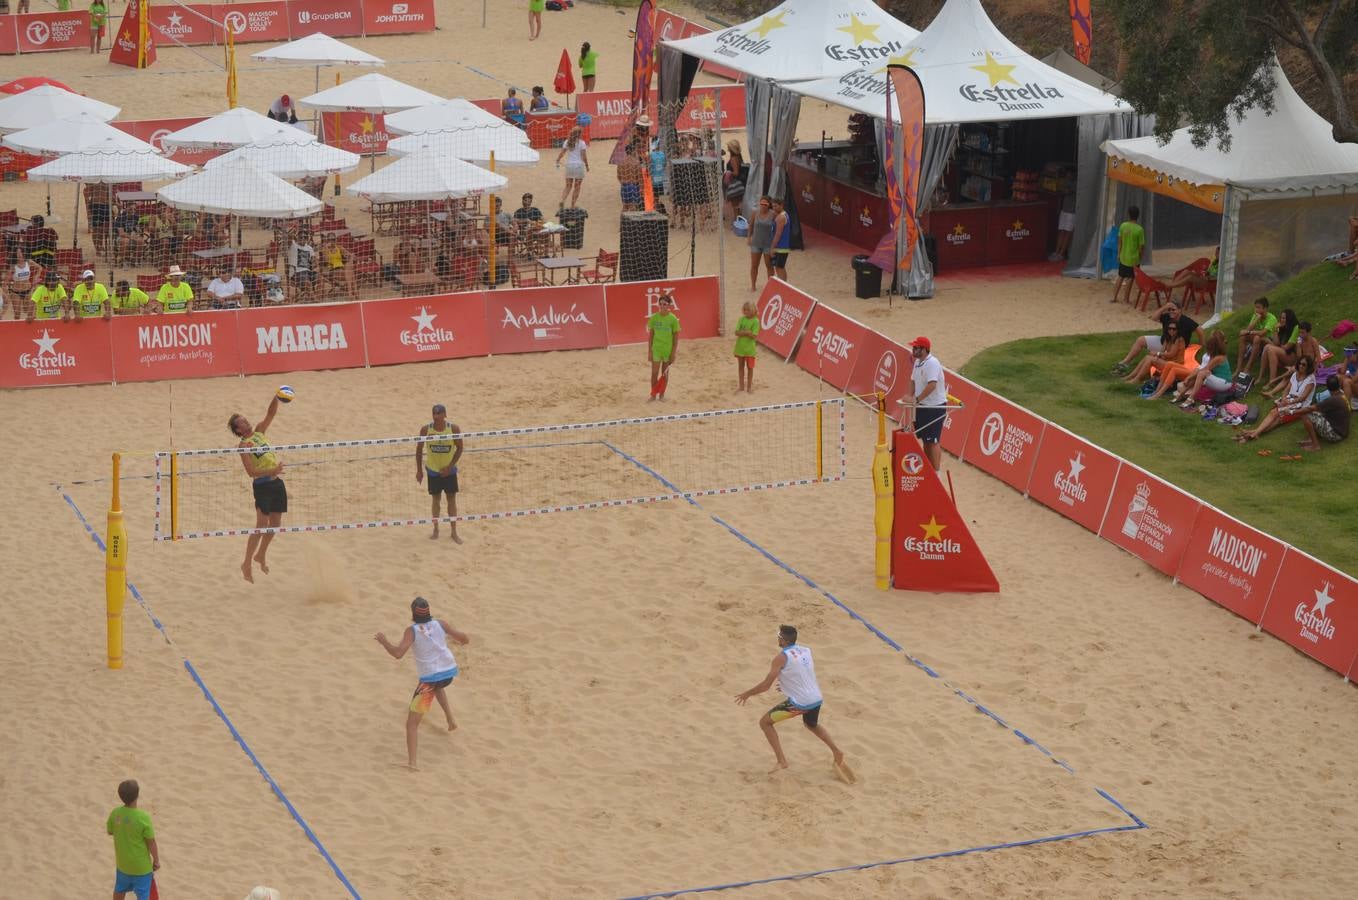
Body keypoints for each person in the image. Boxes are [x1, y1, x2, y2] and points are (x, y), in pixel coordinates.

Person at [733, 624, 853, 781]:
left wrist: (747, 694)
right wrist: (785, 684)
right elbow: (801, 673)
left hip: (800, 703)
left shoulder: (780, 658)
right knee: (811, 725)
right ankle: (836, 751)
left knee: (765, 723)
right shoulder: (806, 650)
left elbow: (765, 685)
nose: (777, 638)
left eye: (778, 636)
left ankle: (782, 761)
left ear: (782, 640)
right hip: (816, 698)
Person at [374, 597, 470, 771]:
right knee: (437, 685)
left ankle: (412, 764)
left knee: (411, 724)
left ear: (413, 614)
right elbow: (464, 639)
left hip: (431, 679)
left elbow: (397, 654)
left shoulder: (412, 631)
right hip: (448, 673)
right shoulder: (441, 623)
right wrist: (462, 639)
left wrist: (383, 641)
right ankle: (450, 720)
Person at [229, 393, 287, 583]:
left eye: (245, 419)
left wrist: (277, 397)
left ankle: (260, 555)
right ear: (238, 429)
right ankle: (246, 563)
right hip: (262, 486)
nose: (246, 422)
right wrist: (273, 469)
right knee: (261, 525)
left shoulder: (260, 431)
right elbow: (251, 472)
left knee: (276, 525)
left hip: (277, 483)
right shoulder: (244, 445)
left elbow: (270, 414)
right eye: (242, 422)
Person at [1235, 356, 1316, 443]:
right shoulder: (1295, 374)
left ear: (1308, 367)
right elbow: (1286, 390)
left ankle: (1255, 432)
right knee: (1277, 418)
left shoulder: (1310, 379)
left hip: (1301, 405)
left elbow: (1303, 397)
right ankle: (1255, 432)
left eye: (1304, 365)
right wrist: (1284, 398)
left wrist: (1289, 402)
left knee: (1275, 414)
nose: (1300, 366)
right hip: (1290, 399)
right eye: (1299, 363)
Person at [415, 404, 464, 543]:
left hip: (449, 472)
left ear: (444, 415)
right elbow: (418, 450)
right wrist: (419, 471)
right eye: (434, 414)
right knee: (435, 500)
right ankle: (436, 529)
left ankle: (454, 531)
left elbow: (460, 448)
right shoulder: (426, 430)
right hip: (433, 471)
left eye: (438, 414)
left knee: (451, 500)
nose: (436, 417)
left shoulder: (453, 429)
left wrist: (450, 466)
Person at [1111, 299, 1201, 374]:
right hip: (1163, 342)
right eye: (1169, 310)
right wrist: (1164, 308)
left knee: (1152, 356)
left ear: (1180, 310)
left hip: (1175, 346)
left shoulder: (1186, 320)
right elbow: (1153, 318)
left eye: (1173, 310)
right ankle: (1125, 362)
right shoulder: (1167, 316)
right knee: (1140, 340)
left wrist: (1202, 344)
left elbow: (1199, 329)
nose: (1171, 312)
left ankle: (1136, 375)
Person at [107, 779, 160, 900]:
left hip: (123, 865)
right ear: (137, 795)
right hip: (141, 869)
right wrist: (156, 860)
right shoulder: (143, 817)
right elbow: (151, 842)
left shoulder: (115, 813)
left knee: (119, 890)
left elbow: (110, 831)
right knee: (143, 895)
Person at [909, 335, 948, 471]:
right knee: (926, 440)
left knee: (933, 441)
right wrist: (909, 396)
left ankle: (936, 473)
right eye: (913, 347)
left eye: (916, 348)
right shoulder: (917, 362)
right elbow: (913, 380)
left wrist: (916, 400)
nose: (913, 350)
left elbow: (932, 385)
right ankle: (928, 471)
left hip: (934, 407)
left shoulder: (932, 363)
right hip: (923, 407)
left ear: (924, 349)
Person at [1171, 331, 1232, 406]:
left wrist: (1189, 377)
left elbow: (1205, 369)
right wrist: (1190, 377)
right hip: (1217, 381)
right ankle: (1181, 395)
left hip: (1224, 383)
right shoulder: (1214, 356)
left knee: (1202, 373)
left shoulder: (1218, 358)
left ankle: (1191, 398)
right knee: (1199, 374)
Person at [1122, 318, 1186, 388]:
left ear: (1178, 330)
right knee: (1148, 357)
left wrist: (1157, 354)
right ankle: (1131, 376)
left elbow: (1171, 354)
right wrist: (1157, 355)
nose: (1171, 330)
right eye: (1169, 328)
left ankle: (1137, 379)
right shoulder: (1167, 338)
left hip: (1175, 364)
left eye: (1174, 329)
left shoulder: (1179, 339)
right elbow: (1162, 351)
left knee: (1150, 359)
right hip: (1168, 362)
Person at [1260, 320, 1320, 392]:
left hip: (1310, 366)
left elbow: (1318, 358)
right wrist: (1298, 345)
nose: (1301, 334)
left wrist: (1313, 372)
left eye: (1303, 333)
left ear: (1308, 332)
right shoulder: (1300, 342)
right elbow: (1299, 357)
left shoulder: (1313, 341)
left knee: (1290, 373)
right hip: (1302, 365)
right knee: (1288, 376)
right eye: (1300, 332)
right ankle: (1271, 392)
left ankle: (1273, 381)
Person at [1299, 375, 1351, 451]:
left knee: (1305, 414)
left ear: (1327, 388)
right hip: (1342, 432)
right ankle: (1311, 438)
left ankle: (1315, 445)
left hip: (1336, 435)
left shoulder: (1333, 399)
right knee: (1315, 413)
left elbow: (1310, 408)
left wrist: (1293, 411)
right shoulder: (1342, 394)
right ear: (1338, 385)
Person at [646, 290, 680, 401]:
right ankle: (653, 394)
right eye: (660, 304)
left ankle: (662, 395)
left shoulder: (673, 319)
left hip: (668, 350)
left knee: (664, 374)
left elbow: (676, 338)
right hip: (656, 349)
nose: (662, 306)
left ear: (669, 305)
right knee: (654, 373)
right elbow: (651, 336)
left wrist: (673, 353)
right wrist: (650, 352)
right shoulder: (654, 318)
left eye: (664, 304)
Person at [1234, 296, 1278, 377]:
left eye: (1258, 307)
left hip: (1269, 341)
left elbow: (1262, 333)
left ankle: (1248, 368)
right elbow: (1248, 329)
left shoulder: (1272, 318)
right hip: (1259, 338)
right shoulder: (1256, 316)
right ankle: (1238, 368)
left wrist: (1250, 332)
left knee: (1257, 337)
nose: (1256, 309)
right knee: (1243, 337)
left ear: (1265, 309)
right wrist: (1257, 319)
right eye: (1255, 307)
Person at [1109, 205, 1145, 305]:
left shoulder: (1123, 226)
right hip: (1134, 259)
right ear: (1138, 216)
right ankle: (1126, 299)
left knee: (1120, 276)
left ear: (1128, 214)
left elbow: (1120, 242)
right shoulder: (1139, 229)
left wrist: (1119, 253)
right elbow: (1141, 246)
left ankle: (1114, 297)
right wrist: (1140, 257)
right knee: (1130, 278)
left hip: (1123, 257)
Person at [556, 126, 589, 211]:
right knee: (577, 187)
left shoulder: (567, 142)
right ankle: (572, 205)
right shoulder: (582, 143)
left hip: (569, 166)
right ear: (580, 134)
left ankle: (562, 200)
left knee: (568, 186)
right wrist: (587, 166)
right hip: (578, 166)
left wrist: (558, 159)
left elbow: (562, 153)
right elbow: (584, 156)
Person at [733, 301, 759, 393]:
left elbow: (754, 336)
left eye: (748, 310)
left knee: (750, 368)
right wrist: (746, 332)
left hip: (750, 350)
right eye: (744, 310)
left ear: (752, 310)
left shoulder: (756, 321)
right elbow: (736, 332)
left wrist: (745, 333)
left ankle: (749, 387)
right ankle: (741, 387)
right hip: (740, 348)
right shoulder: (741, 319)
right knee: (740, 367)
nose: (746, 312)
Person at [319, 234, 355, 299]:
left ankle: (350, 292)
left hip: (342, 269)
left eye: (333, 239)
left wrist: (349, 257)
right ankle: (353, 293)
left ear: (335, 240)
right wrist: (328, 249)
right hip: (332, 270)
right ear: (327, 240)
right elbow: (326, 260)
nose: (332, 241)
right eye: (330, 239)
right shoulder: (325, 249)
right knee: (351, 275)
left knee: (349, 269)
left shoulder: (339, 247)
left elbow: (350, 255)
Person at [8, 250, 40, 320]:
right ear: (15, 255)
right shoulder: (13, 266)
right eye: (17, 253)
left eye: (21, 253)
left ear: (24, 253)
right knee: (17, 315)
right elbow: (7, 279)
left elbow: (40, 268)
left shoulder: (28, 262)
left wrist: (36, 276)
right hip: (16, 292)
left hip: (28, 290)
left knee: (30, 314)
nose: (19, 255)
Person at [288, 228, 317, 300]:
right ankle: (314, 299)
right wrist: (293, 231)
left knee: (320, 277)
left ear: (307, 239)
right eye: (301, 237)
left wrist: (314, 261)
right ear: (297, 237)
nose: (303, 238)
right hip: (298, 272)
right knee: (307, 282)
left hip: (308, 271)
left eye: (305, 237)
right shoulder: (294, 246)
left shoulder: (309, 248)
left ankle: (310, 295)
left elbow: (314, 259)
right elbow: (289, 237)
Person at [1050, 185, 1076, 262]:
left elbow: (1065, 191)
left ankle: (1061, 254)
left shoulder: (1076, 183)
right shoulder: (1067, 181)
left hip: (1072, 211)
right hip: (1064, 209)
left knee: (1067, 232)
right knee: (1061, 231)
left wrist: (1065, 189)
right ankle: (1056, 252)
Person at [768, 197, 791, 281]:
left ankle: (783, 286)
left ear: (781, 205)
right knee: (780, 267)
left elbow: (778, 234)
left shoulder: (781, 217)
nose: (774, 208)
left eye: (776, 206)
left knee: (779, 268)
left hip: (781, 248)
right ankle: (784, 285)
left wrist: (772, 248)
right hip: (782, 247)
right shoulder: (783, 215)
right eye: (773, 206)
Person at [723, 140, 746, 222]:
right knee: (737, 205)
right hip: (739, 183)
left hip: (734, 184)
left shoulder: (733, 159)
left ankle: (737, 222)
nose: (728, 148)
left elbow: (736, 172)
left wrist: (728, 173)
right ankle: (738, 220)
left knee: (735, 205)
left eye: (729, 146)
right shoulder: (739, 156)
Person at [617, 141, 643, 213]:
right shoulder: (636, 162)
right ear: (633, 151)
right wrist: (641, 189)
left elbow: (619, 176)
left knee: (625, 207)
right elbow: (640, 177)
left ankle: (623, 222)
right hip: (634, 186)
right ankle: (632, 223)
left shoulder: (621, 162)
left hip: (624, 186)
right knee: (634, 207)